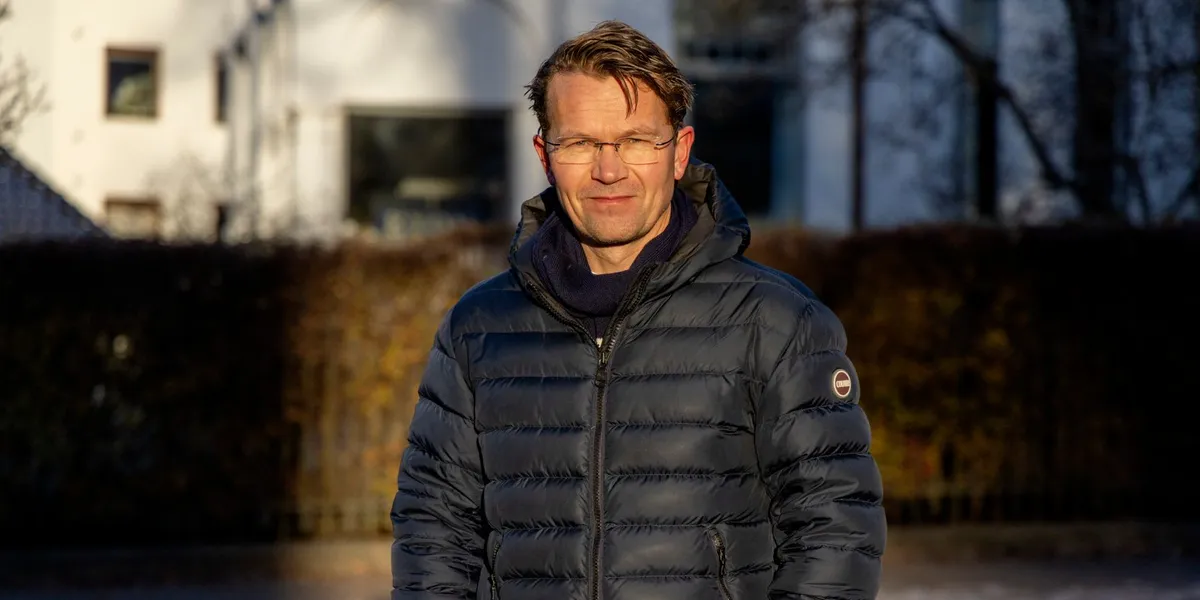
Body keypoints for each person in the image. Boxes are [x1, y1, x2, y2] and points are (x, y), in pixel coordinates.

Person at [391, 19, 886, 600]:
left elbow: (835, 533)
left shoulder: (776, 323)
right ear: (545, 155)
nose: (609, 170)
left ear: (679, 152)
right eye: (580, 143)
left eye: (636, 141)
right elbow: (433, 532)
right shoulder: (478, 328)